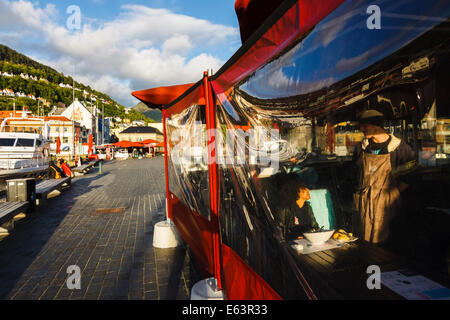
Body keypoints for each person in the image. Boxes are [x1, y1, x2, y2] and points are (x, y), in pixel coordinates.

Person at [353, 109, 416, 244]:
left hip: (388, 207)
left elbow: (411, 176)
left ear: (376, 126)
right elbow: (355, 173)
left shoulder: (401, 148)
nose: (361, 129)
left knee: (386, 244)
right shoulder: (361, 148)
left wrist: (392, 194)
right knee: (363, 243)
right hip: (364, 204)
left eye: (365, 125)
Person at [277, 174, 319, 240]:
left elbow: (315, 226)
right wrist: (294, 237)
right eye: (304, 188)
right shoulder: (285, 209)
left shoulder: (307, 206)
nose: (308, 190)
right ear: (296, 191)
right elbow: (281, 231)